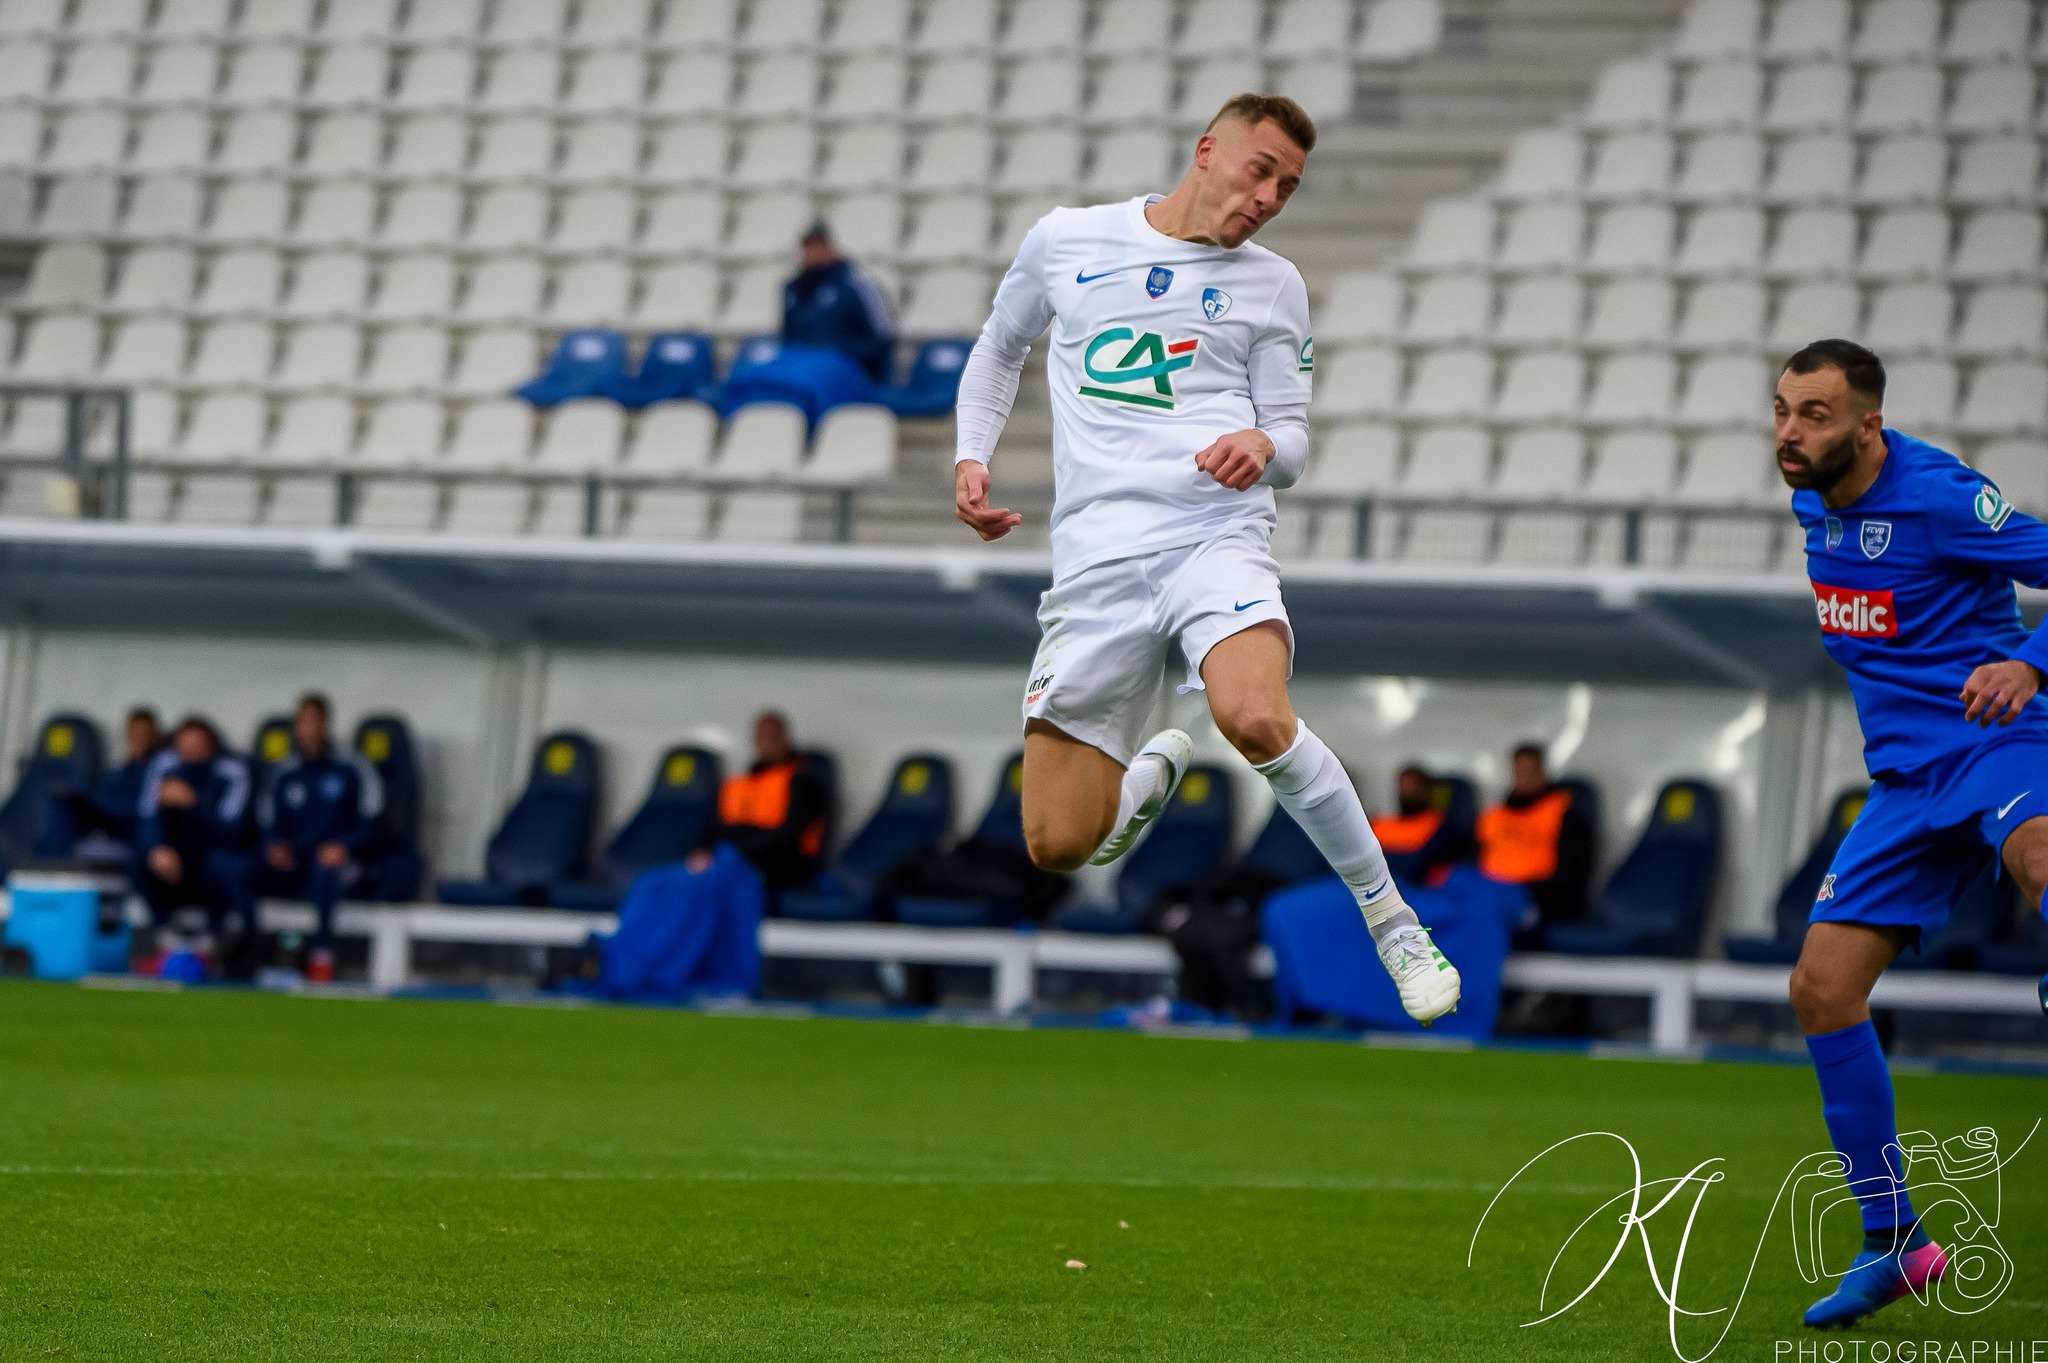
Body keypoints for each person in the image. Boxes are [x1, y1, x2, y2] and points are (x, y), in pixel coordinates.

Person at [951, 92, 1459, 1023]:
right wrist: (971, 457)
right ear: (1207, 151)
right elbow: (999, 348)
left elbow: (1294, 437)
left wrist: (1264, 448)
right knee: (1058, 844)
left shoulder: (1274, 284)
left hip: (1211, 538)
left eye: (1289, 187)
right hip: (1097, 568)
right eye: (1260, 171)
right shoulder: (1068, 240)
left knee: (1255, 717)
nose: (1270, 197)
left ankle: (1392, 926)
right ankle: (1144, 779)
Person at [1773, 339, 2048, 1328]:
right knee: (1818, 987)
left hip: (1998, 740)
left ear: (1866, 424)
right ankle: (1894, 1240)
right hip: (1903, 783)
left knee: (2035, 855)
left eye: (1811, 414)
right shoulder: (1812, 500)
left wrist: (2029, 663)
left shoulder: (1935, 497)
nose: (1789, 433)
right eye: (1780, 411)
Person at [230, 694, 383, 984]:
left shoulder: (353, 768)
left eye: (315, 721)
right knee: (237, 868)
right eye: (303, 722)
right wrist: (274, 847)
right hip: (293, 862)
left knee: (326, 870)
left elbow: (373, 823)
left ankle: (322, 955)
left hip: (339, 861)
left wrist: (345, 846)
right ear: (296, 727)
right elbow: (267, 824)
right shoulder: (283, 772)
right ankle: (251, 947)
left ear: (327, 724)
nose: (310, 728)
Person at [136, 717, 255, 969]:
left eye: (197, 744)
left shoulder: (231, 771)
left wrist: (194, 803)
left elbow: (232, 830)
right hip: (176, 861)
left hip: (212, 856)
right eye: (185, 744)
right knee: (139, 857)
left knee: (225, 864)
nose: (190, 750)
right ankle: (163, 935)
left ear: (211, 745)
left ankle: (220, 941)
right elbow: (146, 817)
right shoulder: (164, 765)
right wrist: (157, 848)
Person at [1475, 744, 1596, 946]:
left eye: (1531, 772)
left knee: (1480, 918)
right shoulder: (1492, 817)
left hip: (1534, 899)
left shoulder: (1563, 813)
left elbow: (1570, 876)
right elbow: (1472, 861)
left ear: (1543, 773)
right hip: (1487, 891)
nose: (1525, 779)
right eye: (1519, 772)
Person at [703, 711, 831, 892]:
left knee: (721, 872)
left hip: (783, 861)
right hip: (737, 856)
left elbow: (789, 834)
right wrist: (703, 849)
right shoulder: (738, 784)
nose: (768, 742)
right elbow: (717, 827)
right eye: (762, 736)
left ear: (786, 738)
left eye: (774, 735)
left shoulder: (801, 780)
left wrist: (738, 851)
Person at [782, 222, 897, 384]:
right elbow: (788, 338)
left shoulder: (857, 284)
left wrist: (837, 352)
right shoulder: (794, 288)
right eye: (808, 246)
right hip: (804, 373)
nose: (812, 252)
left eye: (818, 245)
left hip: (850, 374)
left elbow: (882, 336)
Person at [1370, 764, 1475, 885]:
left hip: (1411, 888)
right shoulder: (1379, 823)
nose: (1408, 792)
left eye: (1414, 786)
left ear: (1428, 791)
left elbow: (1415, 865)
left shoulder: (1439, 824)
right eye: (1403, 786)